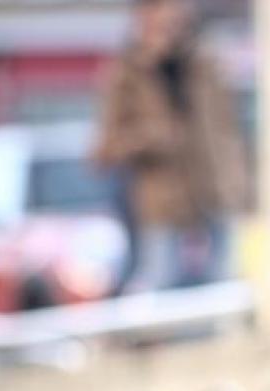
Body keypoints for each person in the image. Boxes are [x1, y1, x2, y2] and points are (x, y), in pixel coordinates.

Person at [91, 0, 248, 294]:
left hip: (215, 190)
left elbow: (226, 130)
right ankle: (144, 338)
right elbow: (104, 149)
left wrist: (236, 179)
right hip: (161, 202)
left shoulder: (204, 65)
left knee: (224, 280)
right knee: (157, 278)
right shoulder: (127, 73)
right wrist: (152, 137)